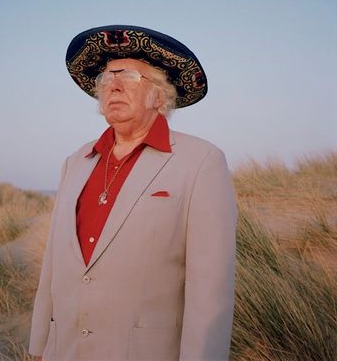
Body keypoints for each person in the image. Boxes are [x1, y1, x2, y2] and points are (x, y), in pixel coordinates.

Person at [29, 25, 237, 361]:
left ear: (159, 94)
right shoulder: (75, 162)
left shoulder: (201, 162)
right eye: (107, 79)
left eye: (128, 77)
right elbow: (53, 266)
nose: (113, 86)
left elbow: (210, 291)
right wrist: (39, 346)